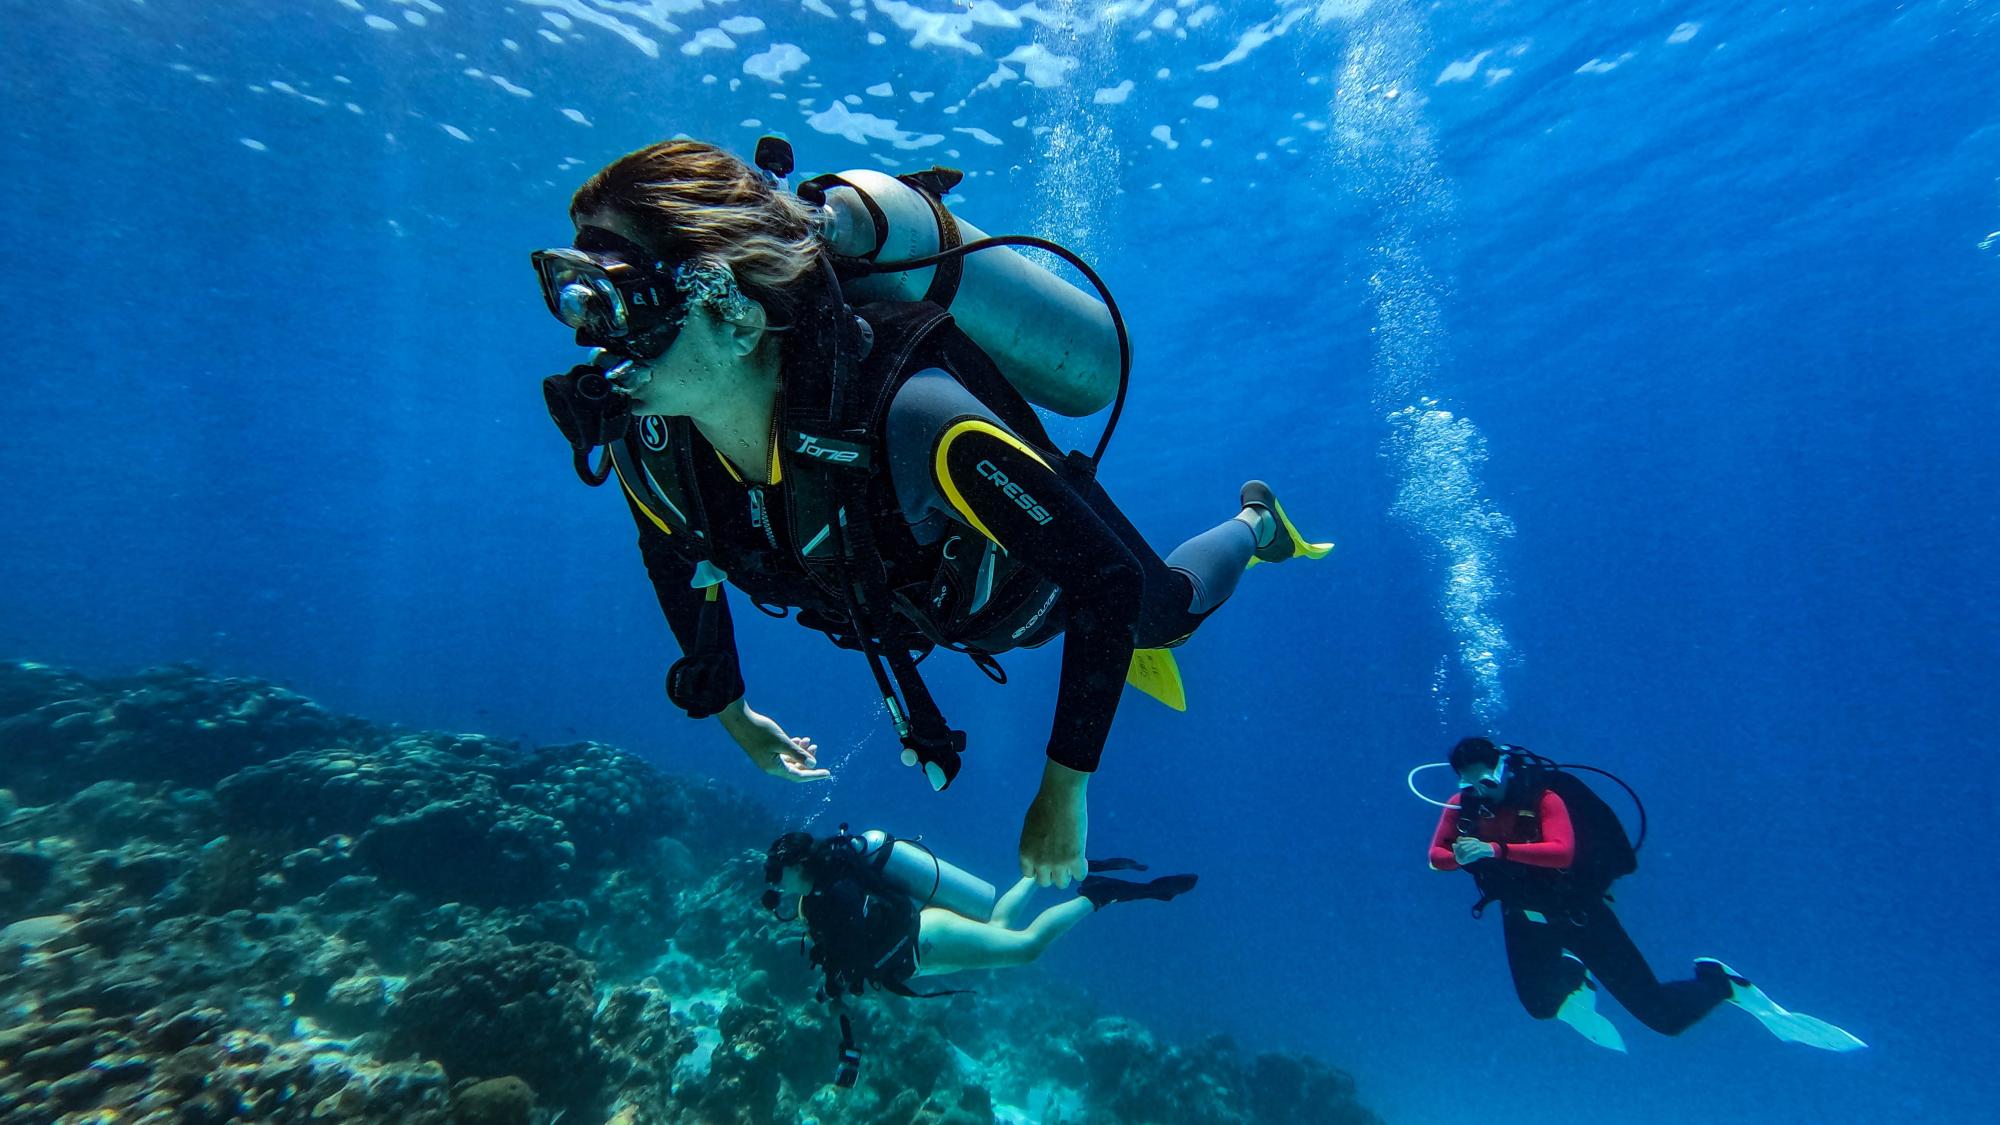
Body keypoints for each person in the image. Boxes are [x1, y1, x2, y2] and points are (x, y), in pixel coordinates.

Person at [531, 138, 1329, 887]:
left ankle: (1257, 523)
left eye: (620, 302)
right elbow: (676, 552)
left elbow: (1105, 582)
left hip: (1039, 578)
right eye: (579, 301)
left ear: (733, 312)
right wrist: (732, 711)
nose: (596, 343)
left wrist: (1064, 793)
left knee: (1165, 616)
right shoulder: (651, 444)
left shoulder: (913, 416)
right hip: (944, 603)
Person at [1427, 737, 1864, 1052]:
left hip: (1578, 913)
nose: (1480, 792)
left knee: (1663, 1018)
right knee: (1541, 1007)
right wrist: (1460, 855)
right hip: (1522, 916)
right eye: (1470, 785)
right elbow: (1436, 857)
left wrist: (1494, 850)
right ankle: (1575, 976)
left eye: (1487, 781)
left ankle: (1720, 983)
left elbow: (1562, 852)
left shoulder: (1544, 796)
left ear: (1504, 768)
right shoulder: (1463, 806)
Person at [761, 830, 1195, 1000]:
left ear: (798, 865)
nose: (778, 886)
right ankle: (1050, 868)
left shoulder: (832, 894)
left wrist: (833, 965)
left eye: (780, 875)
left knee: (1026, 948)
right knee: (999, 927)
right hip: (919, 950)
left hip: (924, 941)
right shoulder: (820, 895)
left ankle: (1098, 895)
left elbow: (855, 945)